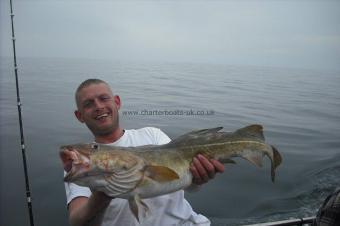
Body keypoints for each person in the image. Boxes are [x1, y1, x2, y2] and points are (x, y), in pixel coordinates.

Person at [62, 78, 225, 226]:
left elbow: (182, 179)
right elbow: (77, 222)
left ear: (117, 102)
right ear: (79, 116)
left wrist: (198, 179)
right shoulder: (80, 166)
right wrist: (102, 193)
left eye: (104, 98)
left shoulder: (152, 135)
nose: (98, 106)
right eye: (88, 104)